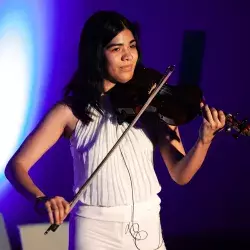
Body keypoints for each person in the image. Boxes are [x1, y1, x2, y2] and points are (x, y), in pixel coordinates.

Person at [5, 10, 226, 250]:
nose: (128, 56)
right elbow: (16, 166)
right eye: (116, 48)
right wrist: (41, 199)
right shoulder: (69, 111)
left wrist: (204, 141)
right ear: (97, 54)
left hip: (147, 223)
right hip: (94, 231)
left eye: (131, 46)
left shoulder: (152, 103)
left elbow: (180, 174)